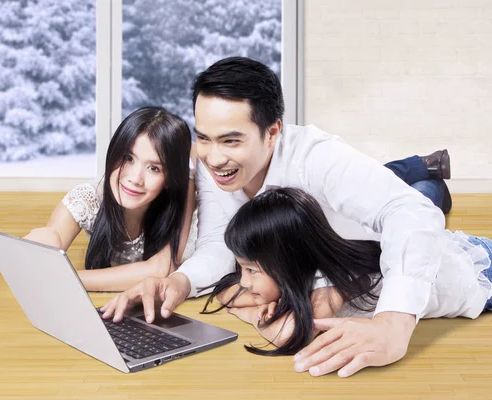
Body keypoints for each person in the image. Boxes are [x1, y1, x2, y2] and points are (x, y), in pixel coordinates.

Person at [100, 57, 453, 377]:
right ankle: (425, 176)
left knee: (423, 197)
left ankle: (428, 179)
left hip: (374, 255)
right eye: (203, 138)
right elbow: (216, 245)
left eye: (231, 141)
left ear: (272, 133)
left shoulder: (317, 157)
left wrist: (392, 324)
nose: (212, 157)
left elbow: (412, 213)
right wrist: (178, 283)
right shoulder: (211, 166)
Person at [202, 187, 492, 373]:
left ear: (289, 263)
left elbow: (291, 336)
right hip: (457, 250)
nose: (244, 283)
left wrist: (258, 316)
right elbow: (226, 291)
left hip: (485, 277)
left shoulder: (333, 286)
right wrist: (258, 302)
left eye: (251, 270)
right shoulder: (310, 265)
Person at [25, 106, 195, 291]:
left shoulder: (183, 196)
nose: (135, 178)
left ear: (170, 179)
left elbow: (160, 269)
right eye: (128, 158)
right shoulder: (88, 198)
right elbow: (54, 233)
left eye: (154, 168)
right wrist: (44, 243)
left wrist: (66, 278)